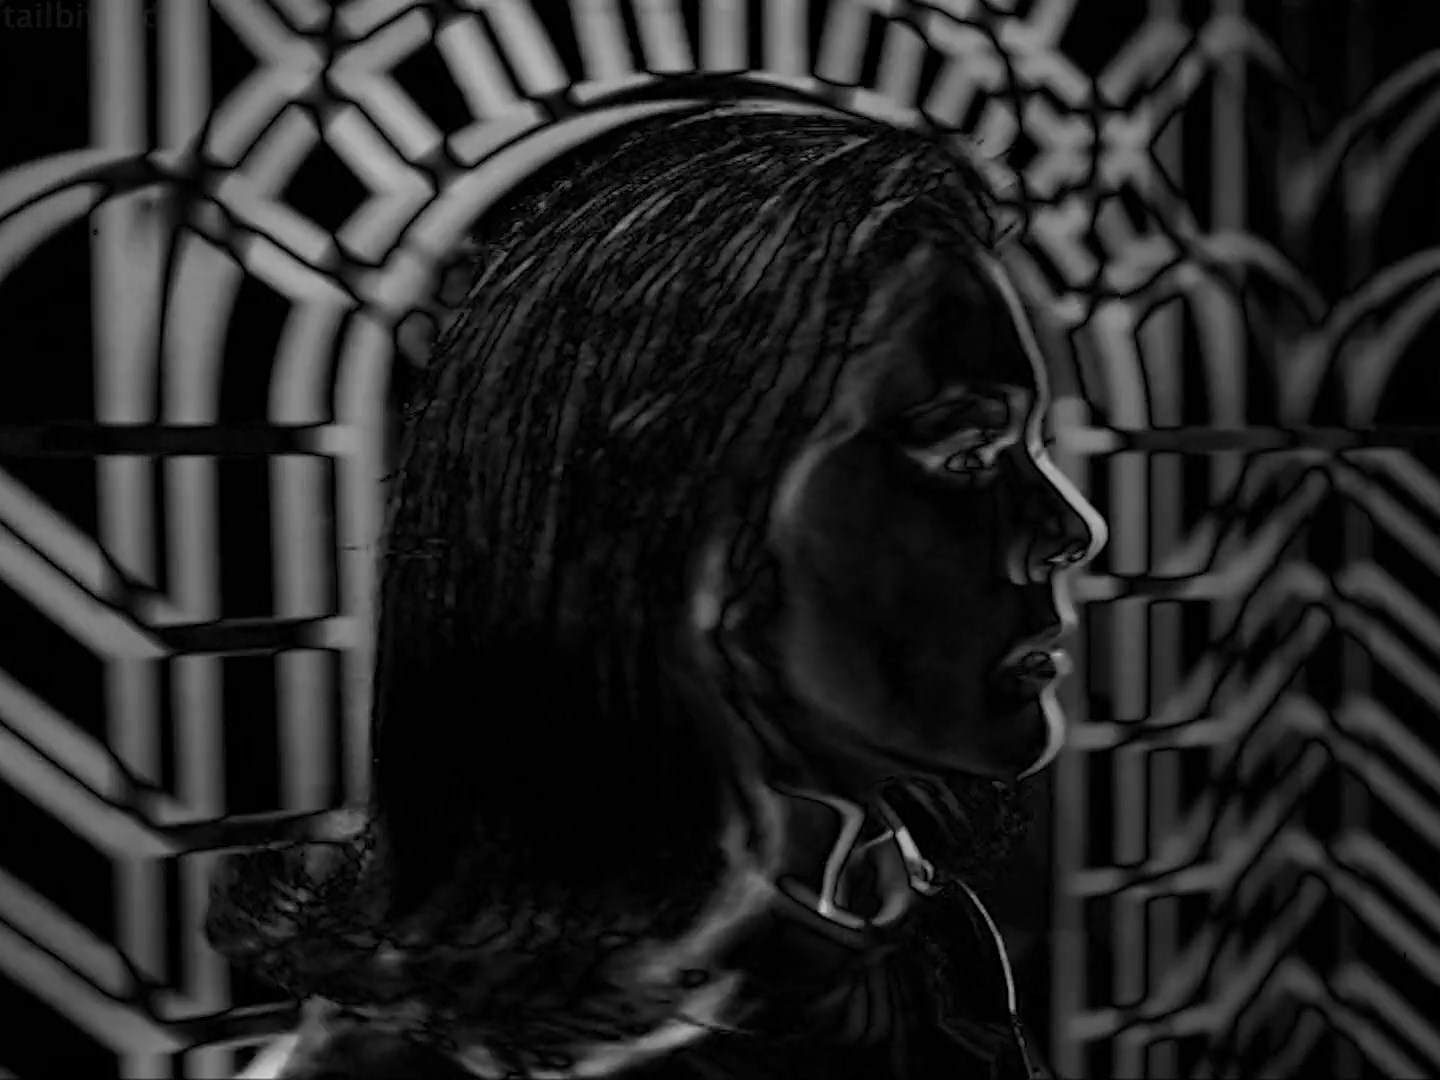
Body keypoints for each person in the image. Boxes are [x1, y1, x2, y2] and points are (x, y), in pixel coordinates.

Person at [205, 98, 1107, 1080]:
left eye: (1035, 449)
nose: (1070, 529)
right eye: (967, 452)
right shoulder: (420, 1066)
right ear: (680, 511)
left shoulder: (917, 940)